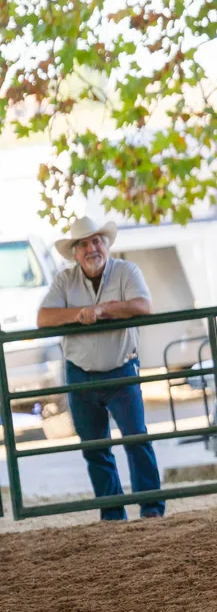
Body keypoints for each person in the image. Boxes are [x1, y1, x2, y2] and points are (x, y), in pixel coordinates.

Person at [36, 216, 164, 521]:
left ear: (104, 245)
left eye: (96, 241)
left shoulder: (126, 271)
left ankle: (152, 509)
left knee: (136, 438)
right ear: (75, 253)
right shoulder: (64, 280)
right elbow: (43, 317)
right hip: (80, 374)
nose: (92, 248)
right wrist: (78, 314)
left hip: (121, 369)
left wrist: (101, 311)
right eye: (84, 244)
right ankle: (112, 514)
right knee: (95, 447)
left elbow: (143, 305)